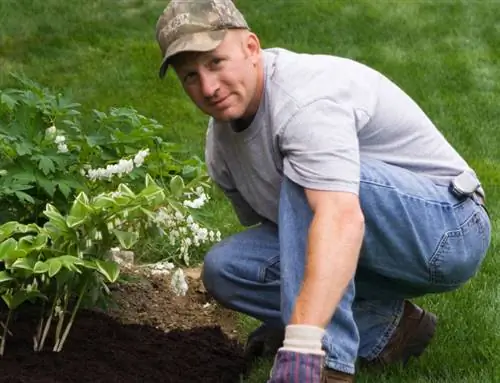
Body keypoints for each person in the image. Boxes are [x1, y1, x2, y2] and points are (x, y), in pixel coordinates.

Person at [154, 1, 492, 382]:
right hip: (365, 244)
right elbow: (287, 235)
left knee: (308, 181)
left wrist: (301, 341)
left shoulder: (303, 101)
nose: (208, 87)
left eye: (215, 63)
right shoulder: (221, 147)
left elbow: (337, 218)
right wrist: (298, 308)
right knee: (227, 269)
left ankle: (328, 363)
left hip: (447, 230)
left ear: (251, 48)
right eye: (190, 76)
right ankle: (390, 328)